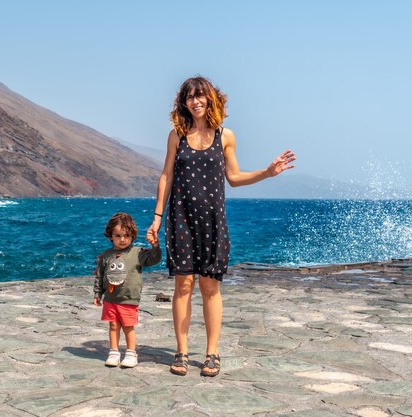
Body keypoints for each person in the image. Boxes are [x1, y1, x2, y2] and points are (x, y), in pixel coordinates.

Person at [147, 76, 295, 377]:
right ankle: (182, 352)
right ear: (183, 103)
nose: (195, 101)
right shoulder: (176, 135)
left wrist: (267, 172)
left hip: (213, 221)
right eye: (189, 97)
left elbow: (234, 177)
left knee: (210, 286)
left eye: (200, 96)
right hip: (181, 220)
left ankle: (212, 353)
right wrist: (157, 217)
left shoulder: (225, 136)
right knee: (183, 285)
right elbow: (166, 176)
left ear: (211, 99)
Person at [94, 212, 162, 368]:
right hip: (110, 299)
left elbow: (154, 259)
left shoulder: (138, 253)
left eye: (126, 235)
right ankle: (114, 352)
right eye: (118, 235)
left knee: (128, 326)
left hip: (129, 299)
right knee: (113, 326)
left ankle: (131, 353)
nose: (122, 239)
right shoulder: (106, 255)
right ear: (111, 235)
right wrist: (98, 294)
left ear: (133, 236)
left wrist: (155, 246)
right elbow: (100, 275)